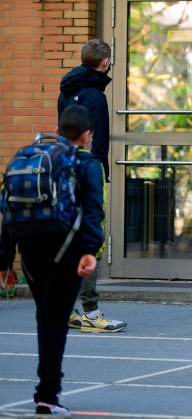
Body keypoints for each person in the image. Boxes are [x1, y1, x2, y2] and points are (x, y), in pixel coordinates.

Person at [0, 105, 105, 415]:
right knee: (56, 320)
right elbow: (93, 211)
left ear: (59, 131)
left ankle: (47, 391)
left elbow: (8, 210)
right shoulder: (88, 164)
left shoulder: (32, 159)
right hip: (67, 249)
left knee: (45, 316)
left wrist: (5, 261)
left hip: (30, 247)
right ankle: (47, 394)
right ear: (87, 135)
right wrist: (89, 250)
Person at [58, 39, 126, 333]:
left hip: (63, 165)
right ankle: (91, 311)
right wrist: (98, 172)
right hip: (89, 169)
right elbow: (96, 141)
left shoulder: (67, 91)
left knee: (68, 236)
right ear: (106, 63)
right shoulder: (96, 97)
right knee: (91, 236)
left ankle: (67, 307)